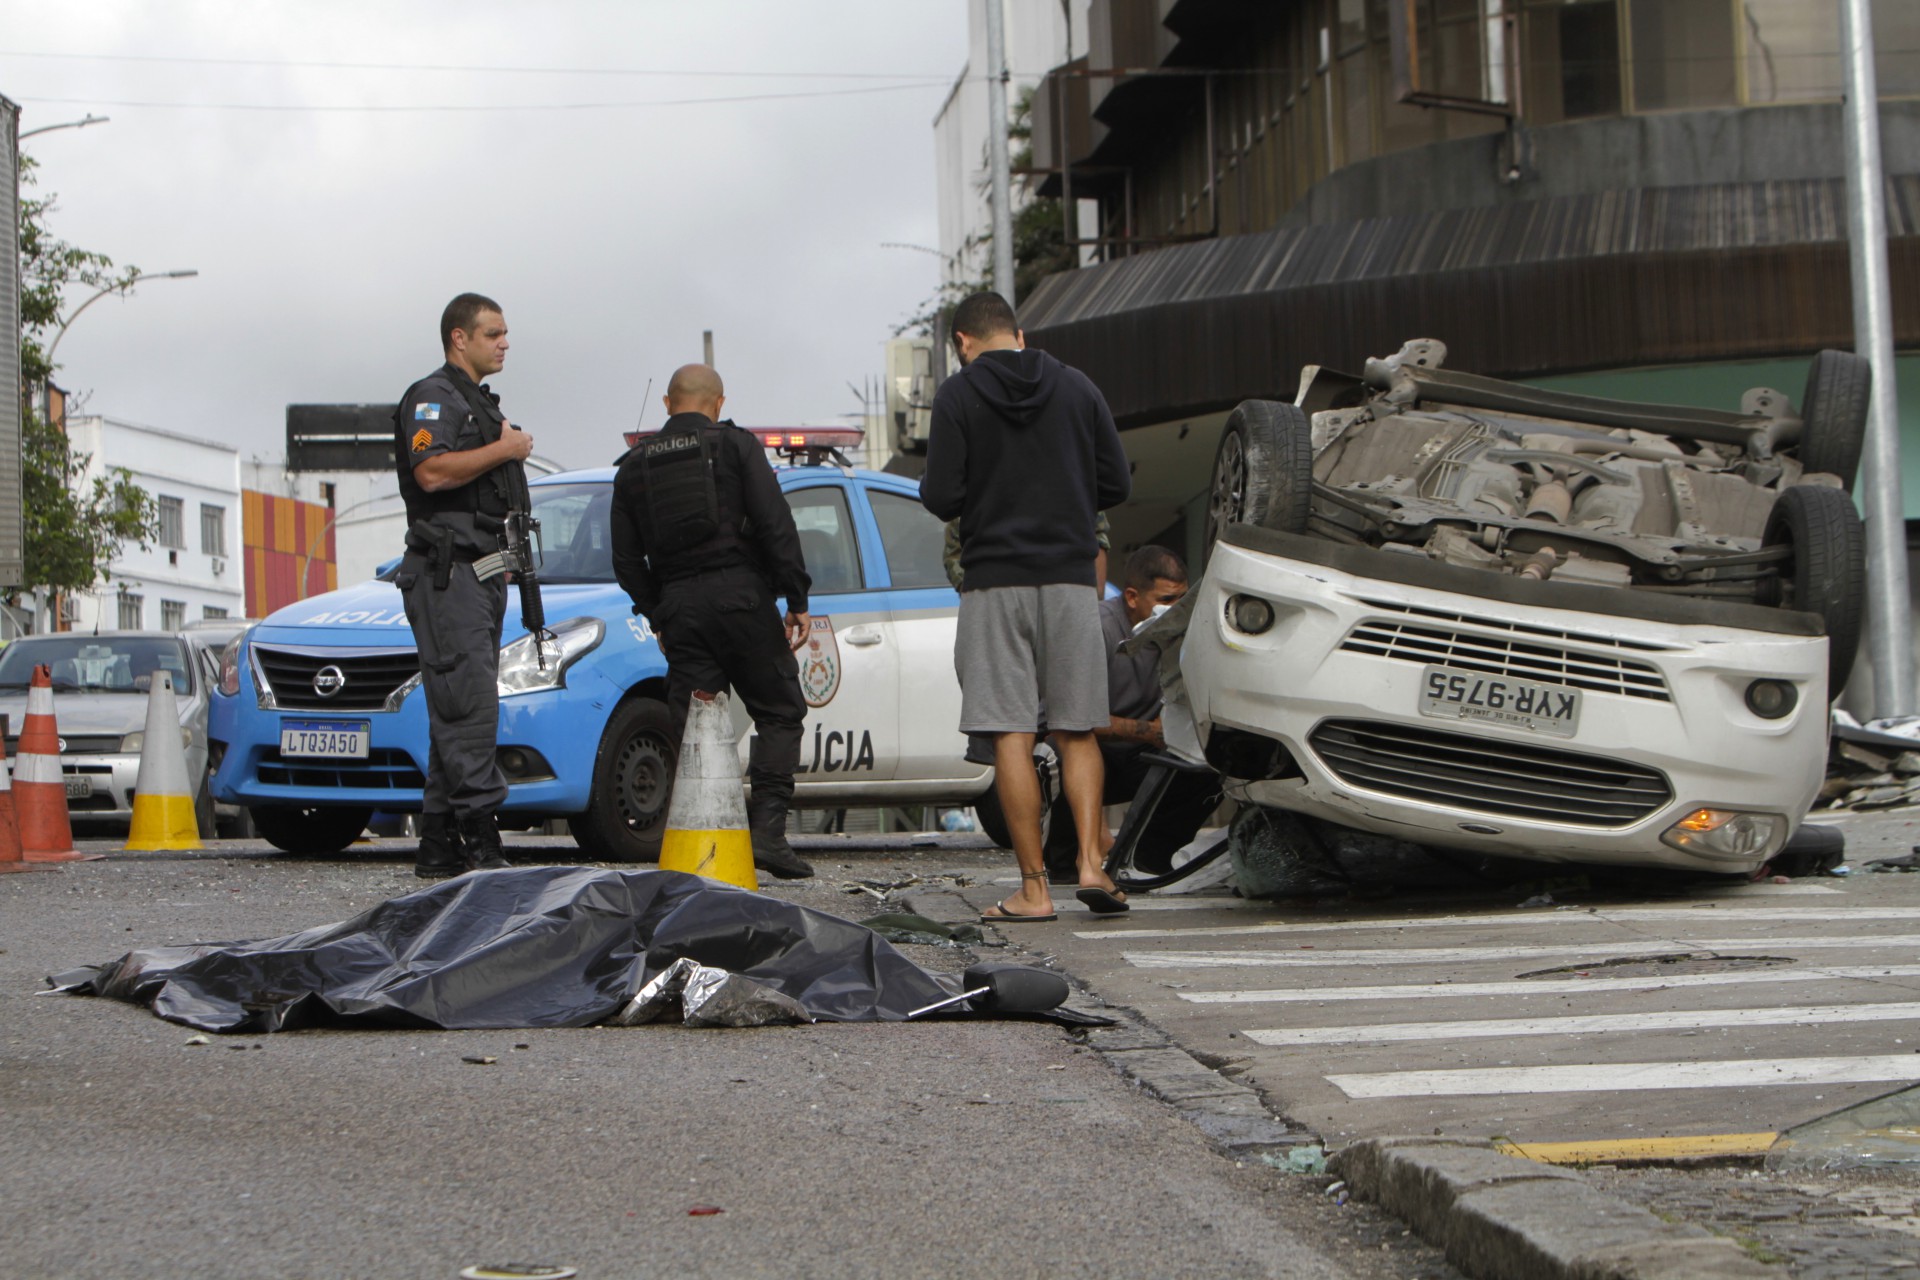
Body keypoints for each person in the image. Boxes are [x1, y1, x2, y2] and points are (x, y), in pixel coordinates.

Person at [919, 291, 1131, 922]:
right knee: (1077, 727)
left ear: (962, 343)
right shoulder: (1077, 387)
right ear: (1019, 331)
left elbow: (941, 495)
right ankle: (1092, 865)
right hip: (1069, 579)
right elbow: (1116, 484)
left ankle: (1035, 890)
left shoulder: (958, 396)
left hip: (993, 583)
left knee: (1011, 732)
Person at [609, 364, 816, 879]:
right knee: (779, 709)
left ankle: (698, 851)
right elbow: (775, 522)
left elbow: (625, 561)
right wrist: (797, 597)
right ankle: (767, 834)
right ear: (718, 403)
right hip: (742, 598)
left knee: (694, 729)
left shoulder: (632, 467)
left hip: (679, 607)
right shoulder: (735, 446)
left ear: (665, 403)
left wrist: (659, 611)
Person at [393, 292, 534, 878]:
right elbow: (429, 471)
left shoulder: (474, 401)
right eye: (493, 333)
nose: (504, 343)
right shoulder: (434, 398)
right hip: (447, 575)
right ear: (460, 338)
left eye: (504, 333)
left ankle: (439, 845)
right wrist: (505, 448)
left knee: (455, 711)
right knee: (470, 708)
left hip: (477, 574)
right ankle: (481, 841)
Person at [1094, 546, 1223, 875]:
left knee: (1211, 767)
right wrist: (1146, 731)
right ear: (1133, 597)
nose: (1174, 609)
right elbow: (1063, 719)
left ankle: (1149, 858)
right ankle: (1070, 856)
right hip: (1093, 753)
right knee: (1061, 752)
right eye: (1165, 600)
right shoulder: (1098, 629)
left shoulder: (1187, 632)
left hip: (1146, 755)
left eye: (1181, 599)